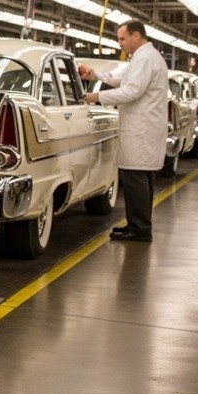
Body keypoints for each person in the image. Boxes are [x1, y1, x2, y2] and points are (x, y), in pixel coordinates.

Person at [78, 19, 169, 243]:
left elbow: (132, 91)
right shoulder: (144, 57)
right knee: (141, 178)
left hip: (142, 129)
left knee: (135, 177)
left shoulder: (146, 58)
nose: (120, 43)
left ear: (136, 36)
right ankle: (138, 225)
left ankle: (139, 229)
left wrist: (97, 97)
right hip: (144, 127)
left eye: (122, 38)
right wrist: (96, 76)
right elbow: (126, 81)